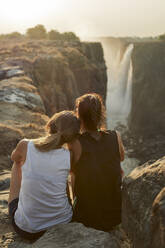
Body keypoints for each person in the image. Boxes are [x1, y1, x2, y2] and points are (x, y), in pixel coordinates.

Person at [8, 110, 80, 240]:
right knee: (60, 176)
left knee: (17, 163)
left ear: (50, 125)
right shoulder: (68, 156)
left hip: (27, 229)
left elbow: (14, 157)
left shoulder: (25, 145)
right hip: (63, 222)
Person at [70, 93, 124, 232]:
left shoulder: (76, 142)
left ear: (79, 116)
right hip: (115, 215)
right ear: (101, 114)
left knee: (75, 173)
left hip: (87, 217)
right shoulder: (115, 136)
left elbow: (73, 175)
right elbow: (121, 158)